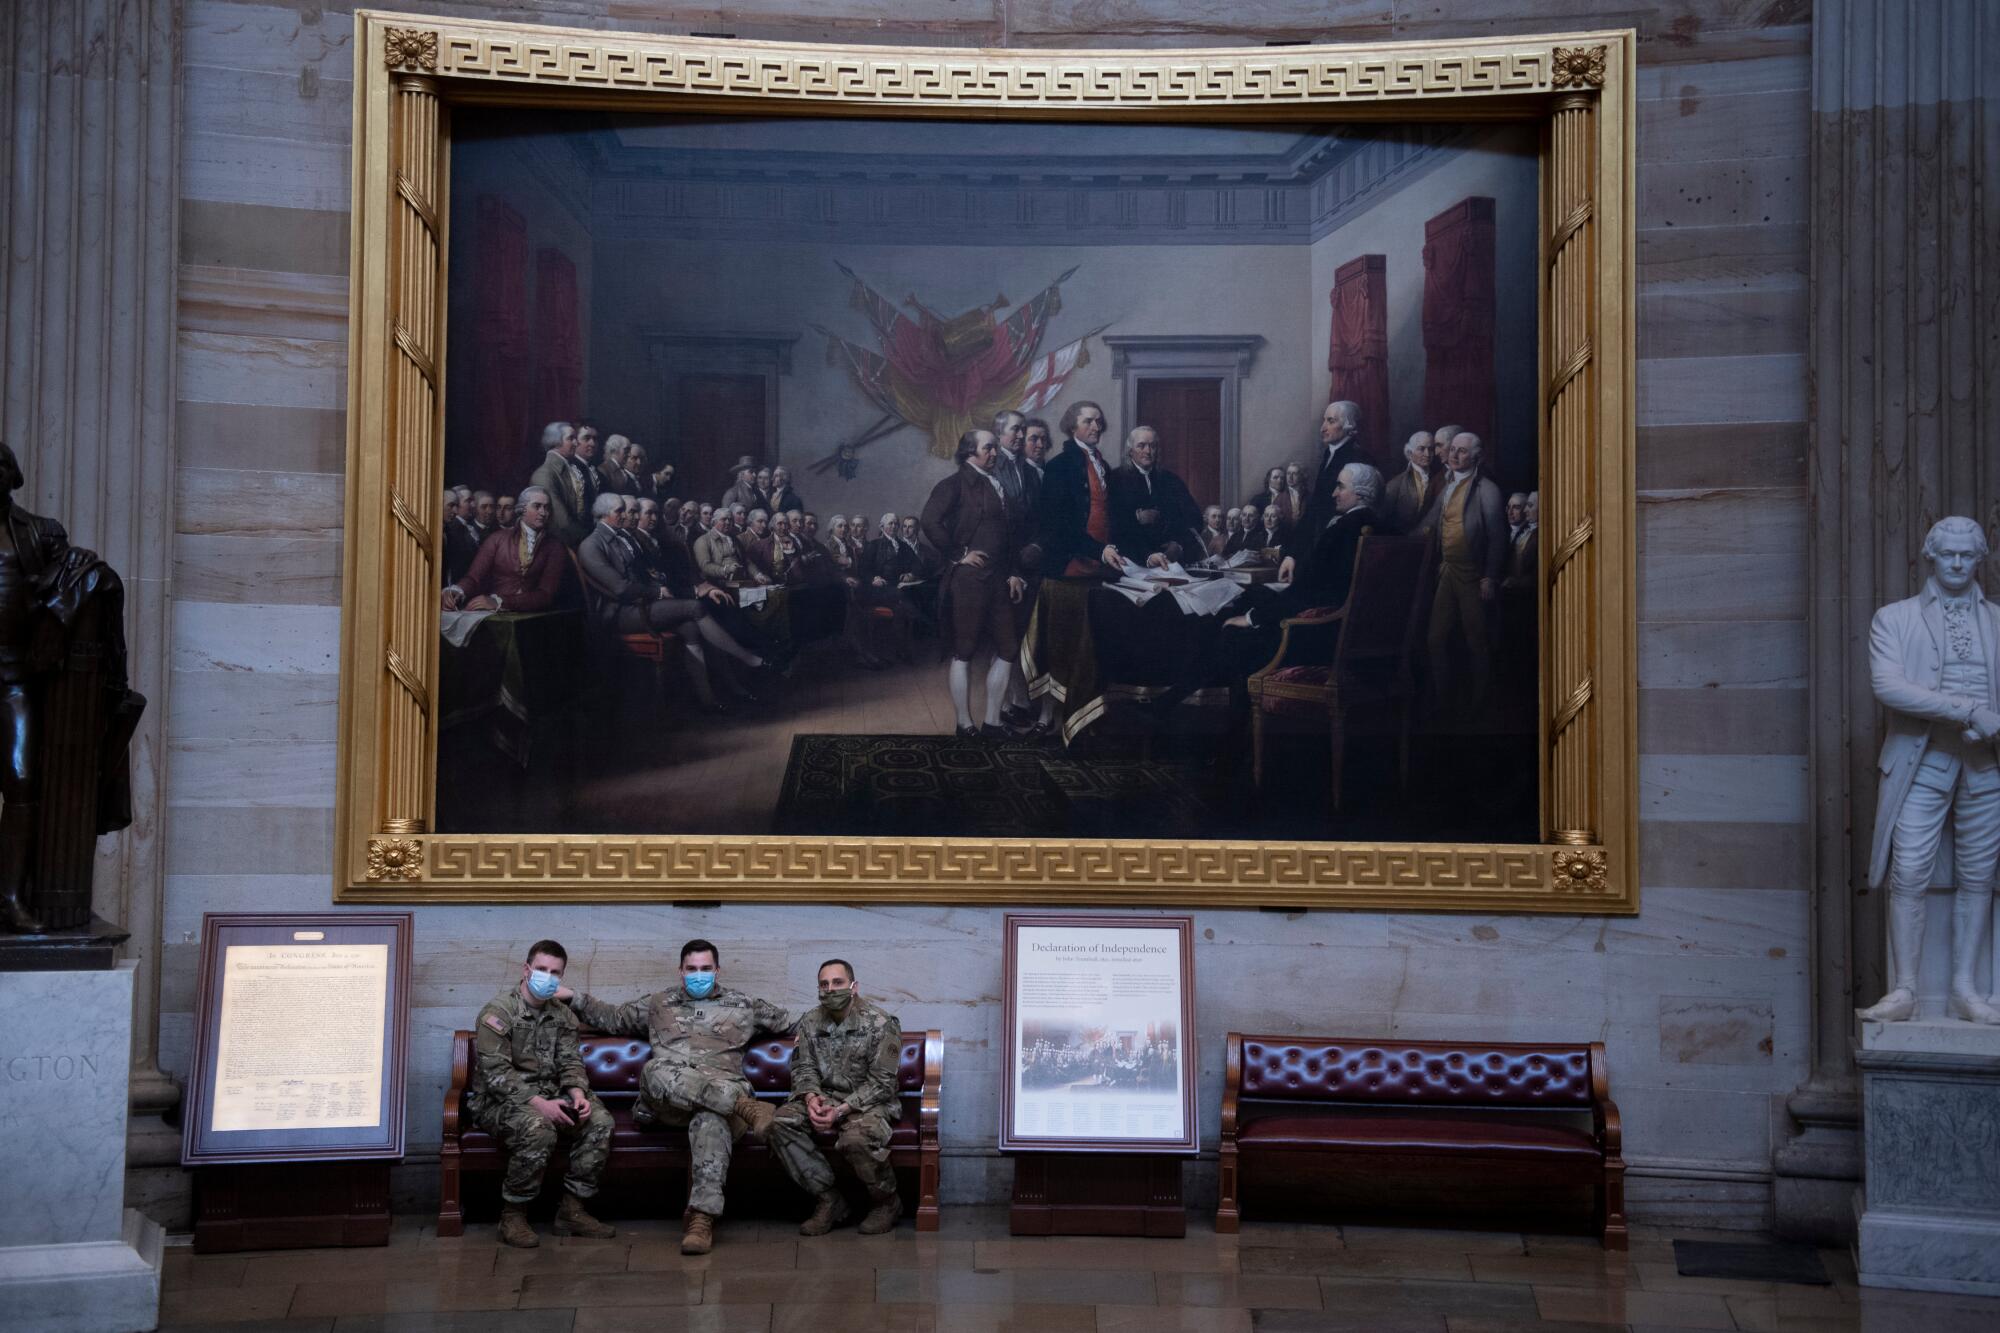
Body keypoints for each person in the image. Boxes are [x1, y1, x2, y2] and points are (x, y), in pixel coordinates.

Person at [560, 940, 795, 1255]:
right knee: (655, 1069)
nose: (699, 975)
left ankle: (701, 1219)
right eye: (692, 969)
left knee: (712, 1118)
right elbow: (612, 1017)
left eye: (705, 969)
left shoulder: (744, 1005)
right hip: (667, 1103)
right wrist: (572, 997)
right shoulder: (659, 1003)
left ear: (717, 970)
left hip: (721, 1097)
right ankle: (745, 1107)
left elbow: (796, 1024)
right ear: (681, 971)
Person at [1859, 517, 2000, 1024]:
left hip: (1986, 766)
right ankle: (1905, 989)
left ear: (1980, 557)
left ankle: (1965, 987)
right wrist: (1967, 711)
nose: (1958, 564)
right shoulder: (1894, 619)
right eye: (1949, 555)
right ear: (1930, 556)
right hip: (1922, 761)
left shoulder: (1999, 621)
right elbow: (1889, 686)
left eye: (1967, 556)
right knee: (1910, 871)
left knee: (1979, 877)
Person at [467, 940, 617, 1249]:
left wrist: (577, 1093)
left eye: (555, 972)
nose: (547, 977)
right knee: (539, 1127)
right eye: (541, 969)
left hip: (551, 1094)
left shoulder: (562, 1015)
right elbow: (497, 1076)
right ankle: (513, 1215)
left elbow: (570, 1061)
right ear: (526, 969)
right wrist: (540, 1105)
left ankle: (572, 1210)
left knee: (600, 1121)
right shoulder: (498, 1013)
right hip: (500, 1102)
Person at [768, 959, 906, 1236]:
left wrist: (841, 1110)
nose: (830, 990)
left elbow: (883, 1082)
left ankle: (887, 1202)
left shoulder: (882, 1024)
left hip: (868, 1104)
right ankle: (829, 1200)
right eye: (824, 984)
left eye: (838, 983)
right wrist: (811, 1099)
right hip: (824, 1098)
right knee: (779, 1123)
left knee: (856, 1139)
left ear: (854, 987)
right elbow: (802, 1066)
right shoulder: (810, 1021)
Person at [922, 429, 1028, 736]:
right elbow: (929, 521)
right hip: (968, 580)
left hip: (998, 579)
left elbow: (1007, 536)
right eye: (989, 448)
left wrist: (1013, 571)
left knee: (1008, 647)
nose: (995, 453)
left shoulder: (996, 482)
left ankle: (993, 721)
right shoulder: (953, 485)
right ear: (970, 452)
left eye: (995, 448)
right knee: (964, 649)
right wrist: (959, 554)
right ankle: (964, 723)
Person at [1419, 431, 1507, 709]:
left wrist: (1490, 576)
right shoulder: (1446, 489)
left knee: (1476, 640)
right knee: (1435, 639)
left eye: (1462, 451)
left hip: (1473, 575)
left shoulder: (1487, 490)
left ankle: (1480, 702)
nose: (1454, 456)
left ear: (1477, 457)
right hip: (1447, 572)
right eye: (1453, 450)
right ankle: (1443, 699)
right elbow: (1427, 526)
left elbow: (1498, 537)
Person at [442, 487, 567, 612]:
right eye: (537, 506)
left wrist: (499, 601)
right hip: (497, 615)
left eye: (547, 507)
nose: (543, 512)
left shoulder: (555, 547)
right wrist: (457, 590)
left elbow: (546, 594)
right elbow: (474, 577)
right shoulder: (497, 539)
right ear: (522, 509)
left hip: (537, 616)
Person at [1037, 400, 1121, 578]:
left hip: (1106, 559)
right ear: (1072, 427)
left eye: (1098, 422)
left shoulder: (1102, 465)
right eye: (1088, 421)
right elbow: (1058, 524)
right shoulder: (1059, 466)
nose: (1096, 427)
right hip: (1072, 561)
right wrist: (1098, 550)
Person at [1108, 426, 1205, 568]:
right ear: (1130, 451)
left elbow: (1195, 518)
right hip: (1132, 561)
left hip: (1169, 561)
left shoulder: (1171, 480)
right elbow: (1112, 523)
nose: (1147, 451)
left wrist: (1179, 544)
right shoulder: (1115, 479)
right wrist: (1136, 518)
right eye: (1141, 446)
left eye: (1152, 446)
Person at [1300, 401, 1363, 541]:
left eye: (1331, 421)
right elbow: (1317, 503)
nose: (1323, 428)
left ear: (1348, 425)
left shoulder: (1357, 457)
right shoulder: (1328, 454)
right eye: (1324, 421)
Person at [529, 421, 593, 547]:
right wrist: (590, 540)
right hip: (560, 545)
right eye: (571, 438)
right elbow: (561, 522)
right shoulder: (544, 474)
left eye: (576, 438)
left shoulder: (572, 468)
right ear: (555, 442)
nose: (576, 443)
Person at [1381, 431, 1440, 535]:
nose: (1427, 454)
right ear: (1410, 452)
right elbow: (1385, 519)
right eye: (1421, 449)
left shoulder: (1440, 478)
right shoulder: (1396, 484)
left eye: (1430, 449)